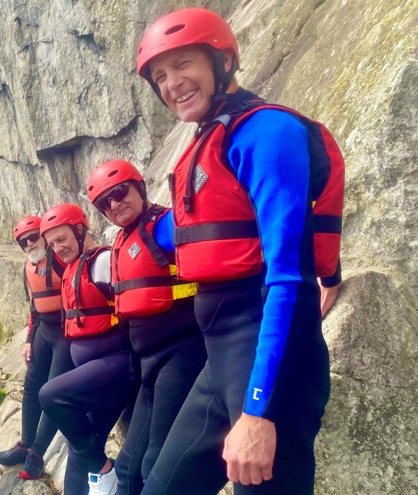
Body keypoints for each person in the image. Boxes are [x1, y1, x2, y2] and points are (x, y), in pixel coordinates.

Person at [134, 8, 335, 494]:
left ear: (222, 61)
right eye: (160, 76)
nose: (171, 84)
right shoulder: (209, 140)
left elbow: (287, 277)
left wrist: (259, 411)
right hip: (221, 362)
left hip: (269, 368)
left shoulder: (269, 133)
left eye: (183, 65)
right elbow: (196, 232)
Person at [86, 159, 207, 495]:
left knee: (155, 461)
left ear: (139, 189)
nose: (114, 204)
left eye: (120, 192)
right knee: (127, 465)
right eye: (104, 202)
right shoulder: (123, 242)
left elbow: (214, 247)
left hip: (182, 355)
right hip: (150, 364)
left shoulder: (166, 225)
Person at [37, 204, 139, 495]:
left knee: (50, 395)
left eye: (63, 239)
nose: (58, 248)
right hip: (96, 374)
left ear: (80, 231)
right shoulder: (71, 271)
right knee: (80, 445)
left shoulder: (104, 261)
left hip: (118, 366)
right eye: (53, 244)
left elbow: (134, 311)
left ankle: (106, 470)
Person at [0, 216, 75, 479]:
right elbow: (34, 308)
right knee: (31, 389)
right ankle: (26, 444)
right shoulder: (28, 267)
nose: (30, 243)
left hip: (65, 332)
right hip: (44, 331)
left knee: (50, 393)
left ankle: (37, 455)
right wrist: (29, 340)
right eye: (23, 241)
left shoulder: (61, 259)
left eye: (33, 237)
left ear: (43, 236)